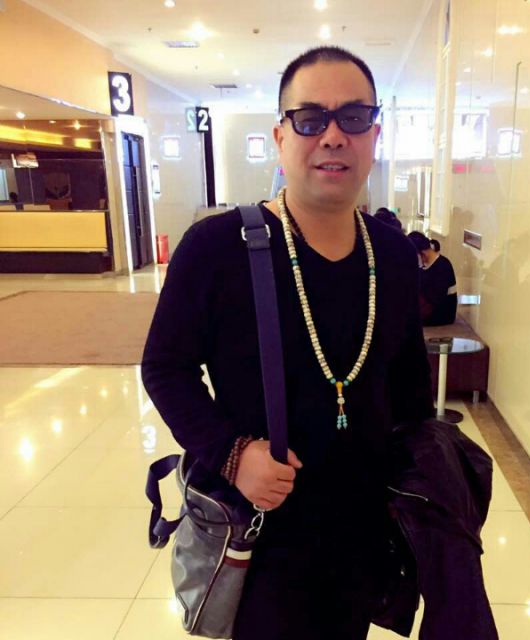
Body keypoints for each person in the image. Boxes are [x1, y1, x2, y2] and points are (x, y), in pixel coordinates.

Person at [142, 46, 433, 640]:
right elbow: (165, 368)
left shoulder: (393, 254)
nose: (333, 136)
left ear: (375, 135)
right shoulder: (216, 248)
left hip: (362, 527)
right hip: (261, 530)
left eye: (354, 117)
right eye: (310, 119)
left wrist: (417, 492)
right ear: (280, 136)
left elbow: (408, 387)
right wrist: (232, 453)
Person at [407, 231, 458, 326]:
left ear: (422, 254)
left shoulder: (443, 266)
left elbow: (434, 300)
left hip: (441, 313)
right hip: (427, 306)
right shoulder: (424, 264)